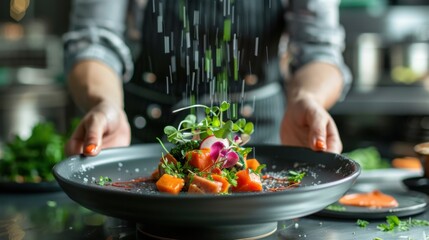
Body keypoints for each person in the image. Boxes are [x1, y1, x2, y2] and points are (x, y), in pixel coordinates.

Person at [63, 0, 351, 157]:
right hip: (144, 142)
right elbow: (94, 42)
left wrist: (307, 98)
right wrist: (105, 103)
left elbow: (319, 50)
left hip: (264, 143)